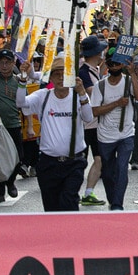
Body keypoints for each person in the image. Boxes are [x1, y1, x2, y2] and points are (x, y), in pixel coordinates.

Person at [17, 58, 95, 212]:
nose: (60, 78)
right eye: (56, 74)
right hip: (49, 163)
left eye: (64, 74)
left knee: (69, 201)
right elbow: (21, 103)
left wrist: (83, 94)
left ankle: (69, 234)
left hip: (74, 162)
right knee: (51, 208)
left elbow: (88, 118)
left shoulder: (77, 96)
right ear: (50, 78)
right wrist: (23, 78)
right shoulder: (43, 96)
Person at [91, 50, 138, 211]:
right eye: (111, 64)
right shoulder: (100, 86)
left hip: (126, 133)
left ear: (122, 64)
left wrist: (132, 74)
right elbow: (95, 111)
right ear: (107, 65)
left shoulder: (128, 81)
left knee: (122, 168)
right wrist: (116, 103)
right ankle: (113, 199)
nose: (114, 66)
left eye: (117, 63)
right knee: (108, 173)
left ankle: (117, 204)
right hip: (105, 135)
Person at [0, 49, 26, 205]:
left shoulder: (18, 81)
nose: (4, 65)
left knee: (18, 157)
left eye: (8, 62)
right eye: (1, 62)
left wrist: (29, 125)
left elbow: (25, 105)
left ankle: (11, 182)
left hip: (14, 124)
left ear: (13, 63)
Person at [76, 35, 108, 206]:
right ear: (96, 52)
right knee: (85, 159)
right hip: (88, 123)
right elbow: (91, 92)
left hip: (95, 122)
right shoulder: (84, 72)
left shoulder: (94, 70)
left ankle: (87, 192)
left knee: (97, 158)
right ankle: (79, 191)